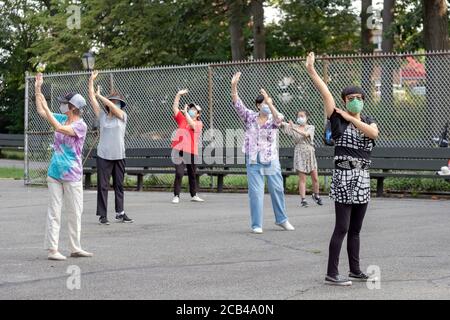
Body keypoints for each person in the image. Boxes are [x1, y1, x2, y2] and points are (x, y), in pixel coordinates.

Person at [305, 52, 379, 286]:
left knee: (356, 230)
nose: (355, 100)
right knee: (342, 228)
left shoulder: (368, 120)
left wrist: (353, 118)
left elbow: (373, 133)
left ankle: (355, 270)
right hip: (344, 177)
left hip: (362, 178)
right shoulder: (336, 118)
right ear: (344, 101)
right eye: (350, 98)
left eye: (358, 97)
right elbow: (326, 93)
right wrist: (312, 71)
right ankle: (331, 273)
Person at [35, 73, 93, 261]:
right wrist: (38, 89)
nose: (61, 105)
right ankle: (52, 249)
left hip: (72, 174)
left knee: (75, 212)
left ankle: (75, 248)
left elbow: (59, 129)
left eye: (64, 103)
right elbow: (42, 112)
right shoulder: (61, 118)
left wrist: (46, 106)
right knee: (54, 211)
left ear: (73, 107)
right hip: (55, 173)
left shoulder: (81, 126)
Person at [231, 72, 295, 234]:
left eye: (268, 103)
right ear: (258, 106)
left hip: (270, 159)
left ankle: (282, 219)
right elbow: (238, 104)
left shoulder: (274, 118)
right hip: (253, 159)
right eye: (263, 103)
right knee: (256, 193)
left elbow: (279, 119)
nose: (266, 105)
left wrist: (270, 102)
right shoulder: (250, 117)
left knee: (277, 188)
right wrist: (234, 86)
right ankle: (256, 224)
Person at [88, 71, 134, 225]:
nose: (115, 104)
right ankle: (102, 215)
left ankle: (120, 212)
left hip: (119, 156)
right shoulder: (102, 116)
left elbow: (114, 109)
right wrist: (91, 81)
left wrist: (102, 97)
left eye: (117, 102)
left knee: (119, 185)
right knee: (103, 186)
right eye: (113, 101)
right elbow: (92, 98)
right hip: (104, 156)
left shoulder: (123, 116)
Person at [281, 111, 323, 207]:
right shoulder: (293, 127)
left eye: (302, 116)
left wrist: (294, 128)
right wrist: (280, 119)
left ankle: (316, 195)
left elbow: (305, 134)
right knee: (302, 178)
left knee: (315, 178)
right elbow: (281, 123)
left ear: (307, 117)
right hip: (299, 153)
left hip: (309, 153)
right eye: (298, 116)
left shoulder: (310, 127)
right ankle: (303, 200)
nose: (300, 117)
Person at [171, 89, 204, 204]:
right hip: (178, 151)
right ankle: (176, 195)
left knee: (192, 174)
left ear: (198, 114)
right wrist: (178, 95)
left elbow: (192, 125)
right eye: (191, 109)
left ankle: (194, 195)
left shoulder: (199, 123)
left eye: (194, 110)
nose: (191, 110)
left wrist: (185, 112)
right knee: (179, 173)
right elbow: (175, 108)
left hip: (192, 152)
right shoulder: (182, 119)